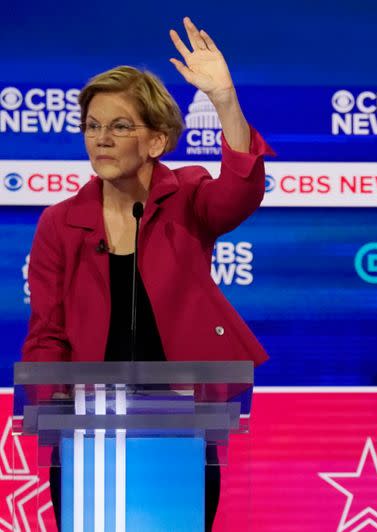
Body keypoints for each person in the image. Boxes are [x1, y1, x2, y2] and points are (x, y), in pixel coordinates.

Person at [21, 17, 272, 531]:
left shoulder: (187, 197)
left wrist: (225, 100)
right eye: (92, 126)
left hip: (182, 417)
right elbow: (47, 332)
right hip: (86, 430)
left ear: (156, 142)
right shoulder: (59, 222)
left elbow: (240, 192)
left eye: (118, 126)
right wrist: (55, 416)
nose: (101, 140)